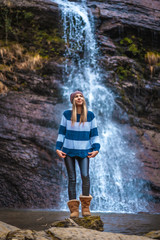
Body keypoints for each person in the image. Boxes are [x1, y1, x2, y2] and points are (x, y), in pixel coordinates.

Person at [56, 90, 100, 218]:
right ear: (72, 100)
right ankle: (74, 210)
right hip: (68, 151)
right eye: (76, 96)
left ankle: (85, 207)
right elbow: (62, 133)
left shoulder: (90, 116)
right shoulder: (66, 115)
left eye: (81, 96)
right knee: (72, 178)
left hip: (85, 151)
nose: (79, 98)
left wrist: (96, 148)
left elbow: (94, 135)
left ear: (84, 99)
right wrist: (58, 147)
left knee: (85, 176)